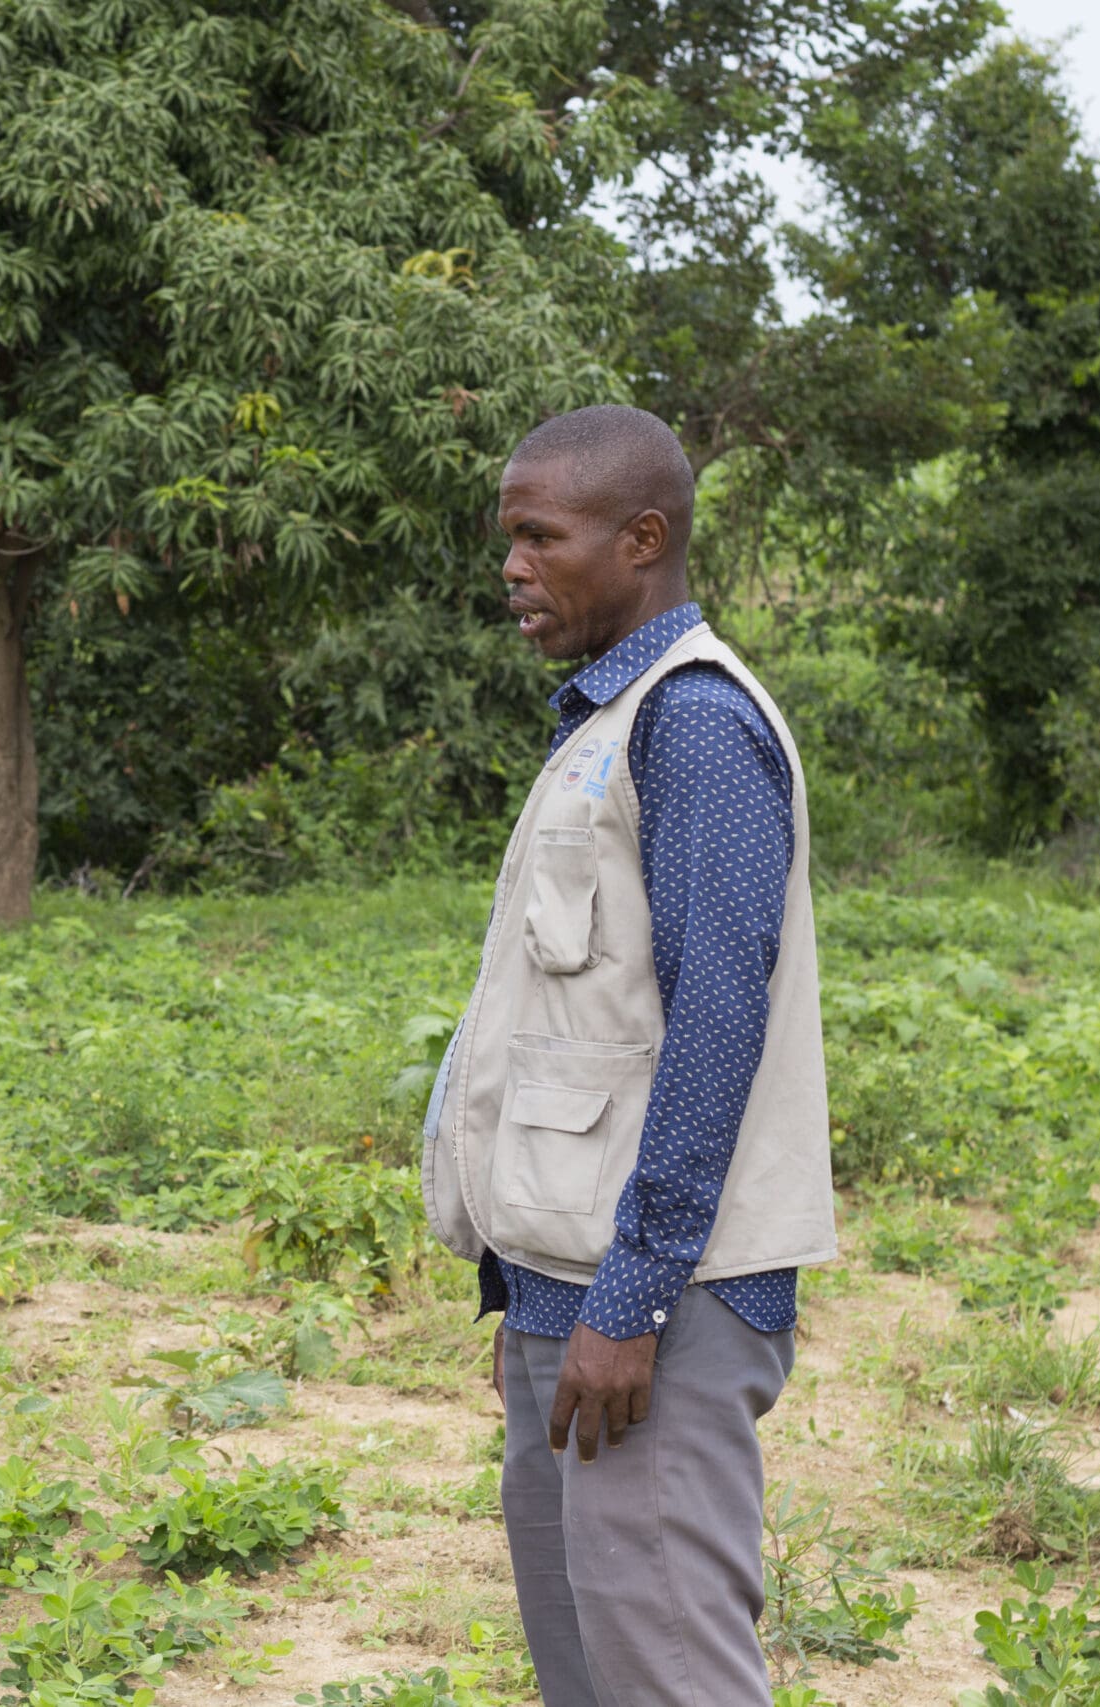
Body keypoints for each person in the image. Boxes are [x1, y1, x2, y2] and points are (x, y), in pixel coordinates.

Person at [419, 404, 835, 1707]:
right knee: (588, 1672)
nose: (513, 567)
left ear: (642, 540)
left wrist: (630, 1301)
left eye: (542, 538)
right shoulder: (606, 722)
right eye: (509, 539)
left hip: (659, 1306)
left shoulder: (693, 724)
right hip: (572, 1294)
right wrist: (533, 1304)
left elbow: (717, 1019)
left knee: (668, 1677)